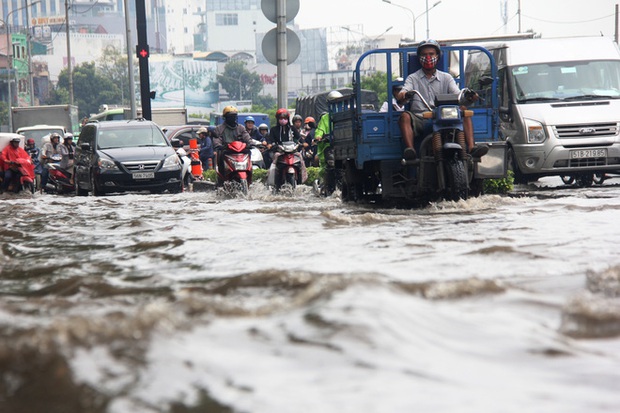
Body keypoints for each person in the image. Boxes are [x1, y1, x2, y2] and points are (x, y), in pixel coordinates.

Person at [397, 39, 487, 160]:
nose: (428, 57)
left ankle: (471, 148)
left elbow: (458, 95)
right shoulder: (412, 78)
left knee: (464, 111)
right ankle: (410, 151)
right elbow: (403, 93)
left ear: (437, 56)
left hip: (444, 116)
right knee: (404, 117)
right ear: (419, 58)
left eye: (431, 54)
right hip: (420, 118)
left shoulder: (447, 77)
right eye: (424, 55)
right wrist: (404, 95)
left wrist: (469, 97)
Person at [314, 90, 343, 194]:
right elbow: (320, 130)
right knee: (331, 166)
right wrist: (318, 136)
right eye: (333, 102)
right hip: (329, 146)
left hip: (343, 146)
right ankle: (330, 189)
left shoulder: (345, 115)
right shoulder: (325, 118)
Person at [212, 106, 252, 172]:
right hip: (226, 151)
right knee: (220, 154)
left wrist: (250, 143)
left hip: (240, 151)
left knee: (248, 152)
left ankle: (249, 172)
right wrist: (219, 145)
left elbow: (247, 137)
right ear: (225, 117)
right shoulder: (219, 128)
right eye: (230, 116)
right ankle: (222, 175)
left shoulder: (241, 128)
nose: (232, 118)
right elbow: (217, 139)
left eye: (234, 116)